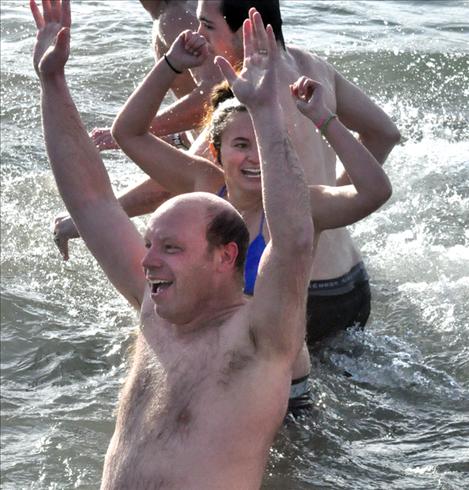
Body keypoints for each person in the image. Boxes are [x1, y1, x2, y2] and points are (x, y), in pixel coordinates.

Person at [31, 0, 314, 487]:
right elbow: (92, 200)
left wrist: (267, 115)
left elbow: (293, 240)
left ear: (226, 257)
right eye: (152, 244)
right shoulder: (153, 309)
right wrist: (52, 84)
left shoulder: (260, 339)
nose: (149, 261)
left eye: (171, 249)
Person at [110, 9, 391, 414]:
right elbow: (128, 133)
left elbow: (375, 190)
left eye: (265, 141)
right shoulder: (205, 184)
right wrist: (170, 65)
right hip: (219, 373)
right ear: (216, 151)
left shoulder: (302, 205)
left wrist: (324, 118)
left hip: (282, 390)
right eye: (241, 145)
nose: (255, 156)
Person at [91, 0, 222, 152]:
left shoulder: (175, 17)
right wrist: (177, 139)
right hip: (209, 143)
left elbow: (216, 96)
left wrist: (134, 130)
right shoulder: (176, 12)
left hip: (223, 153)